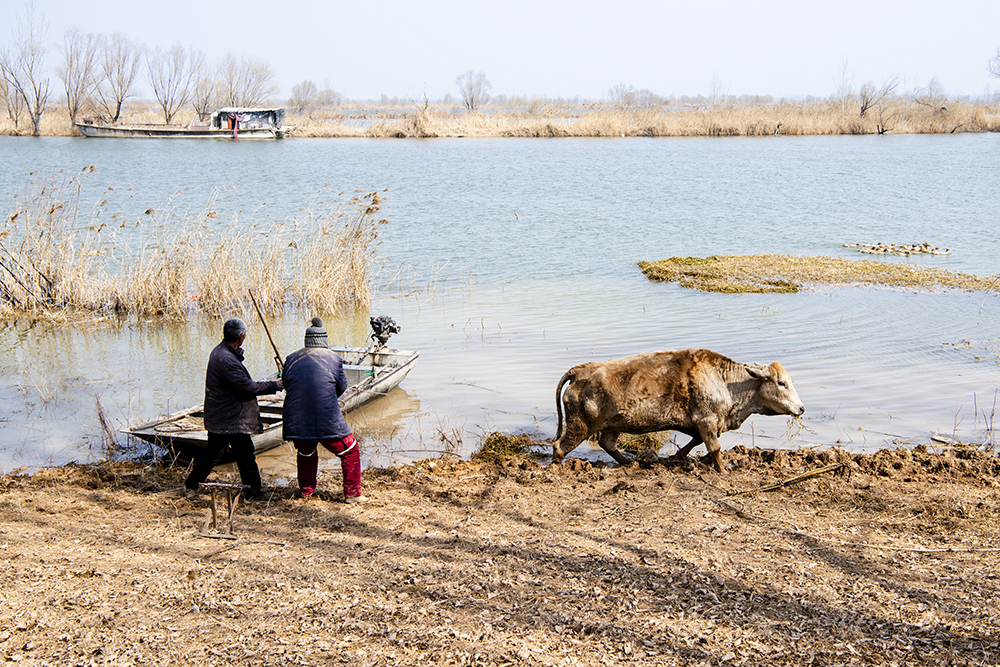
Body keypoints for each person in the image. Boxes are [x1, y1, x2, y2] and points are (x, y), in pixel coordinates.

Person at [184, 317, 282, 501]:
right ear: (241, 336)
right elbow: (247, 387)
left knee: (243, 452)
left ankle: (253, 490)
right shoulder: (226, 359)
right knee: (216, 454)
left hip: (228, 415)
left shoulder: (223, 352)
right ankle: (191, 486)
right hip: (227, 418)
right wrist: (274, 385)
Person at [281, 317, 367, 502]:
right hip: (326, 417)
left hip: (296, 418)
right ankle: (352, 494)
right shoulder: (333, 358)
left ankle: (306, 491)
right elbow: (341, 387)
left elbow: (289, 385)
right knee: (350, 450)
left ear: (307, 341)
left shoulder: (291, 358)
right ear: (324, 341)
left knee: (306, 452)